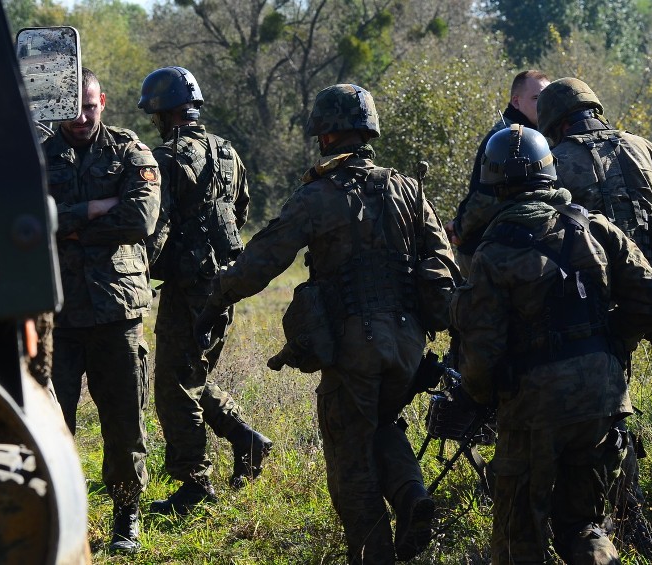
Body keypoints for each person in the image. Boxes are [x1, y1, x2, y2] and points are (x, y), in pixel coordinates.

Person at [194, 83, 458, 564]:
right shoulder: (407, 188)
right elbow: (443, 263)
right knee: (383, 423)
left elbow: (265, 258)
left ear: (324, 135)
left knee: (349, 460)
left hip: (355, 346)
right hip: (407, 345)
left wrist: (216, 299)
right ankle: (411, 496)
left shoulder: (317, 195)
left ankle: (374, 555)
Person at [450, 123, 652, 564]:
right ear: (550, 175)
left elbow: (482, 353)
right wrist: (608, 344)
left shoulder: (492, 253)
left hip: (533, 407)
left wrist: (481, 395)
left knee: (519, 538)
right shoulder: (594, 227)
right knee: (584, 525)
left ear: (495, 187)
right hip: (603, 398)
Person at [537, 77, 652, 557]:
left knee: (603, 411)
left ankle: (618, 516)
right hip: (648, 298)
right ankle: (618, 511)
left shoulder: (557, 160)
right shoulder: (640, 147)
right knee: (613, 396)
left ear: (556, 122)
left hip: (588, 304)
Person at [136, 66, 272, 516]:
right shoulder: (228, 153)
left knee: (174, 388)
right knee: (193, 378)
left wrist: (140, 273)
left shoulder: (167, 157)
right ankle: (247, 441)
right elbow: (241, 210)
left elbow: (156, 225)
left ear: (161, 112)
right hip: (224, 284)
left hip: (189, 288)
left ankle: (194, 485)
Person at [43, 67, 160, 554]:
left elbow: (141, 218)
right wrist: (93, 209)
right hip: (58, 315)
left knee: (124, 425)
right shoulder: (39, 154)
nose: (82, 115)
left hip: (116, 312)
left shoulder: (130, 150)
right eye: (73, 107)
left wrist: (66, 225)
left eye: (90, 105)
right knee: (52, 426)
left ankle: (125, 520)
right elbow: (26, 217)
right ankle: (58, 522)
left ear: (103, 101)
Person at [446, 70, 550, 276]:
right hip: (484, 252)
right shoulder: (510, 139)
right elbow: (486, 196)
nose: (543, 104)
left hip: (505, 246)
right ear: (516, 101)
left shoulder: (529, 134)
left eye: (546, 98)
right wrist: (459, 230)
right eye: (536, 98)